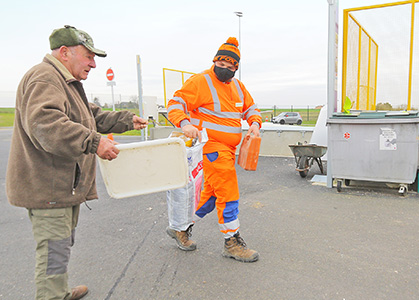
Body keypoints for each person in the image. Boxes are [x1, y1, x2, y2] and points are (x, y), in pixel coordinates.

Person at [6, 25, 148, 299]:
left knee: (61, 245)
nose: (94, 64)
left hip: (61, 188)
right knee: (53, 252)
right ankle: (53, 295)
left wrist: (125, 120)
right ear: (64, 52)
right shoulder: (44, 79)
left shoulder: (65, 82)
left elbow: (89, 115)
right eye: (88, 57)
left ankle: (59, 290)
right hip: (47, 188)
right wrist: (95, 143)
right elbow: (46, 125)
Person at [167, 37, 262, 262]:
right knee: (228, 191)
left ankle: (180, 227)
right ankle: (232, 242)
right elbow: (175, 104)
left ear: (236, 68)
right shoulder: (201, 81)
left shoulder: (238, 87)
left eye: (231, 67)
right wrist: (185, 124)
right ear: (215, 61)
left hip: (228, 149)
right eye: (223, 64)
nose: (226, 69)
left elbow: (251, 108)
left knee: (208, 198)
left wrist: (255, 124)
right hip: (211, 147)